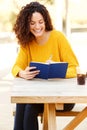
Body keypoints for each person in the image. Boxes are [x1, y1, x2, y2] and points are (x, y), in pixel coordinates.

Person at [12, 1, 79, 130]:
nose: (37, 26)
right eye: (32, 23)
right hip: (39, 95)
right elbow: (16, 67)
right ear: (26, 25)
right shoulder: (27, 43)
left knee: (29, 106)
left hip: (62, 97)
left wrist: (57, 70)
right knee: (22, 102)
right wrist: (22, 73)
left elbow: (75, 68)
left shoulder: (58, 37)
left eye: (40, 22)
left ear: (45, 21)